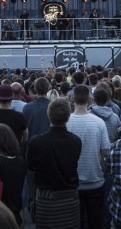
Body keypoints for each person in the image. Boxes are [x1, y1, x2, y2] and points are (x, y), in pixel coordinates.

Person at [27, 98, 82, 229]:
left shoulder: (37, 142)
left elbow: (31, 165)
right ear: (68, 117)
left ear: (48, 115)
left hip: (46, 199)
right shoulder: (75, 141)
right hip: (69, 198)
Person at [67, 85, 111, 229]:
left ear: (73, 99)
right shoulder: (99, 123)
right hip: (95, 180)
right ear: (90, 99)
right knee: (95, 221)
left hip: (73, 182)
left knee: (77, 222)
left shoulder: (66, 123)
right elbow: (105, 152)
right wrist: (102, 170)